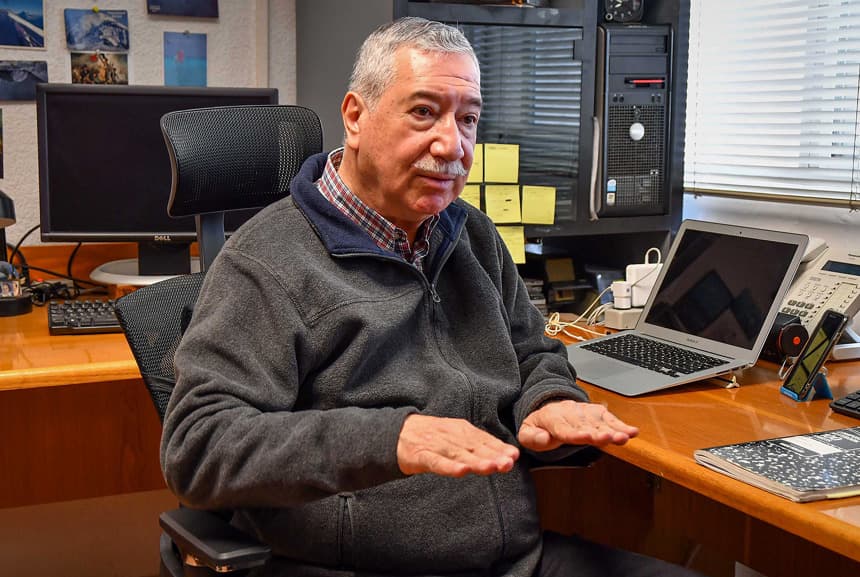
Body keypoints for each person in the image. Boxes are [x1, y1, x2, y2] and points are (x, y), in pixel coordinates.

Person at [162, 17, 701, 577]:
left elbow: (533, 354)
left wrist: (550, 401)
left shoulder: (470, 233)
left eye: (467, 119)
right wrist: (389, 438)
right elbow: (199, 446)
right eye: (423, 112)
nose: (453, 145)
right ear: (355, 116)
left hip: (513, 559)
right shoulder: (266, 261)